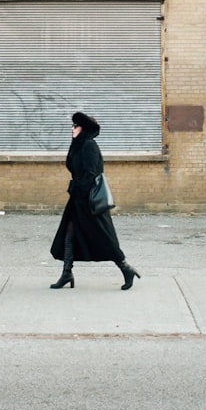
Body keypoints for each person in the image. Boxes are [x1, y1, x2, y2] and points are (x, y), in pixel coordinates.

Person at [50, 111, 140, 290]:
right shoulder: (79, 145)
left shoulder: (89, 146)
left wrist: (80, 191)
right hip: (78, 199)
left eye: (75, 126)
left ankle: (125, 268)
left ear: (83, 129)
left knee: (103, 236)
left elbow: (91, 174)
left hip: (88, 201)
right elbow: (72, 166)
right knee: (69, 234)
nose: (72, 128)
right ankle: (67, 273)